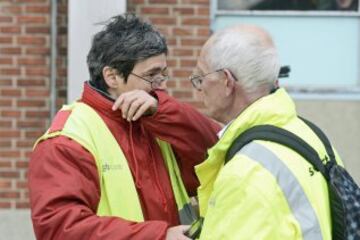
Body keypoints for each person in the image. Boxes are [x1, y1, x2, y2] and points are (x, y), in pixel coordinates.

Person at [28, 13, 220, 240]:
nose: (162, 85)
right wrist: (158, 237)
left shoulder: (158, 117)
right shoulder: (67, 140)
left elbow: (218, 151)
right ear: (112, 76)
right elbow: (60, 229)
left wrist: (164, 111)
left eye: (163, 74)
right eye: (152, 75)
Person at [190, 25, 341, 239]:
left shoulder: (245, 173)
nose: (198, 87)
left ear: (226, 81)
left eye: (200, 77)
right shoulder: (311, 135)